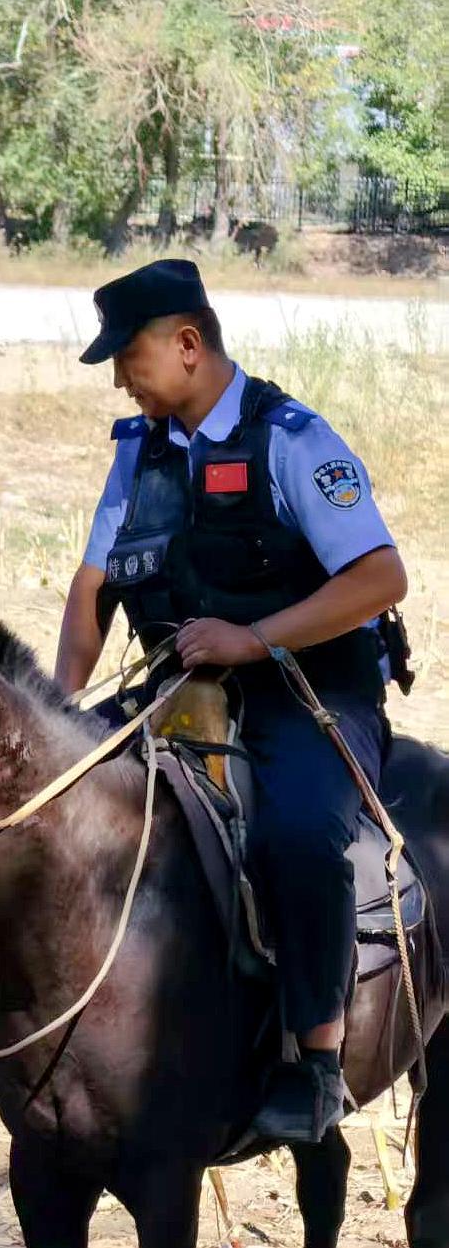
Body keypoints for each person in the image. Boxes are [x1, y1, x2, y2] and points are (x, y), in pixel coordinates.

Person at [56, 258, 409, 1144]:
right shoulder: (139, 450)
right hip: (181, 689)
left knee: (297, 834)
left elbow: (378, 576)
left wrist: (252, 638)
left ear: (187, 344)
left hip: (307, 691)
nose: (120, 379)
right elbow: (93, 585)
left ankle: (315, 1058)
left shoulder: (292, 440)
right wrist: (62, 709)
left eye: (127, 357)